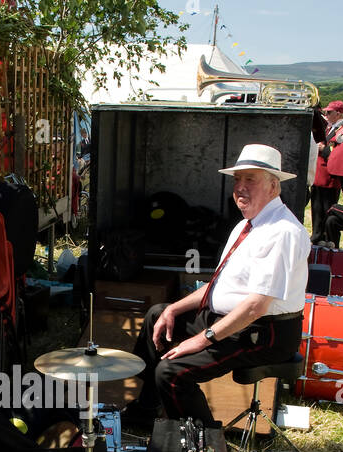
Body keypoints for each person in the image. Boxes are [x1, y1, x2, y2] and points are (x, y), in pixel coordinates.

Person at [130, 144, 310, 424]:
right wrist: (173, 309)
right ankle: (147, 407)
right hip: (232, 320)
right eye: (237, 180)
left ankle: (206, 448)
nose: (240, 187)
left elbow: (256, 307)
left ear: (274, 186)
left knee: (172, 372)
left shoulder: (283, 232)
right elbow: (218, 284)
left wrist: (202, 339)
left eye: (250, 179)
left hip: (264, 333)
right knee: (158, 315)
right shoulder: (245, 225)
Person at [310, 100, 343, 243]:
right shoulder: (329, 127)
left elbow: (341, 151)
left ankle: (326, 238)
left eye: (329, 112)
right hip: (319, 174)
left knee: (326, 210)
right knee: (316, 209)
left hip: (329, 176)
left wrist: (323, 149)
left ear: (338, 114)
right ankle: (317, 235)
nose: (326, 115)